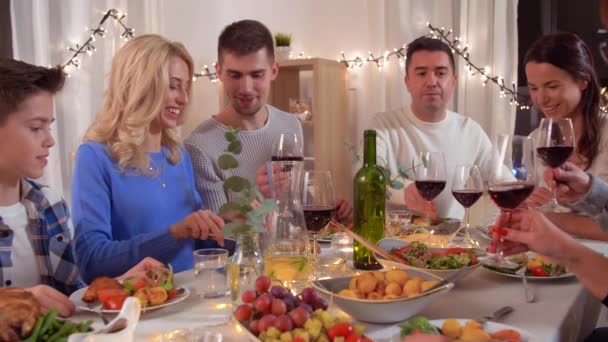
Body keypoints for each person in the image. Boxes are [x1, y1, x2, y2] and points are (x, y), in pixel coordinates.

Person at [0, 57, 164, 317]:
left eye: (49, 127)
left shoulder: (49, 205)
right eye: (35, 127)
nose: (50, 140)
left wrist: (119, 284)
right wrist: (19, 301)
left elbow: (71, 302)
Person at [71, 34, 225, 284]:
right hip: (138, 310)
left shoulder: (177, 156)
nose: (184, 98)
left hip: (190, 301)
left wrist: (235, 228)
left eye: (185, 88)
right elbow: (92, 261)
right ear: (141, 85)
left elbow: (197, 241)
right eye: (173, 86)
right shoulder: (96, 156)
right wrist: (174, 232)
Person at [184, 20, 352, 224]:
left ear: (274, 71)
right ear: (219, 72)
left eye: (257, 74)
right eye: (235, 75)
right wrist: (260, 198)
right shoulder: (200, 146)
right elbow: (220, 238)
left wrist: (326, 208)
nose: (246, 87)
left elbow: (294, 209)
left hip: (292, 253)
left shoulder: (291, 125)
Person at [372, 36, 494, 222]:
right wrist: (404, 192)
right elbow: (368, 177)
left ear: (453, 81)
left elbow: (501, 180)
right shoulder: (384, 125)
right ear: (407, 82)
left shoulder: (470, 130)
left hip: (451, 241)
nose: (431, 81)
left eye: (441, 73)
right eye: (421, 74)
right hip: (395, 243)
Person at [524, 32, 608, 241]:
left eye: (552, 86)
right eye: (534, 88)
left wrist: (547, 217)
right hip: (552, 260)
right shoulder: (537, 139)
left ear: (583, 81)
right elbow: (528, 207)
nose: (541, 98)